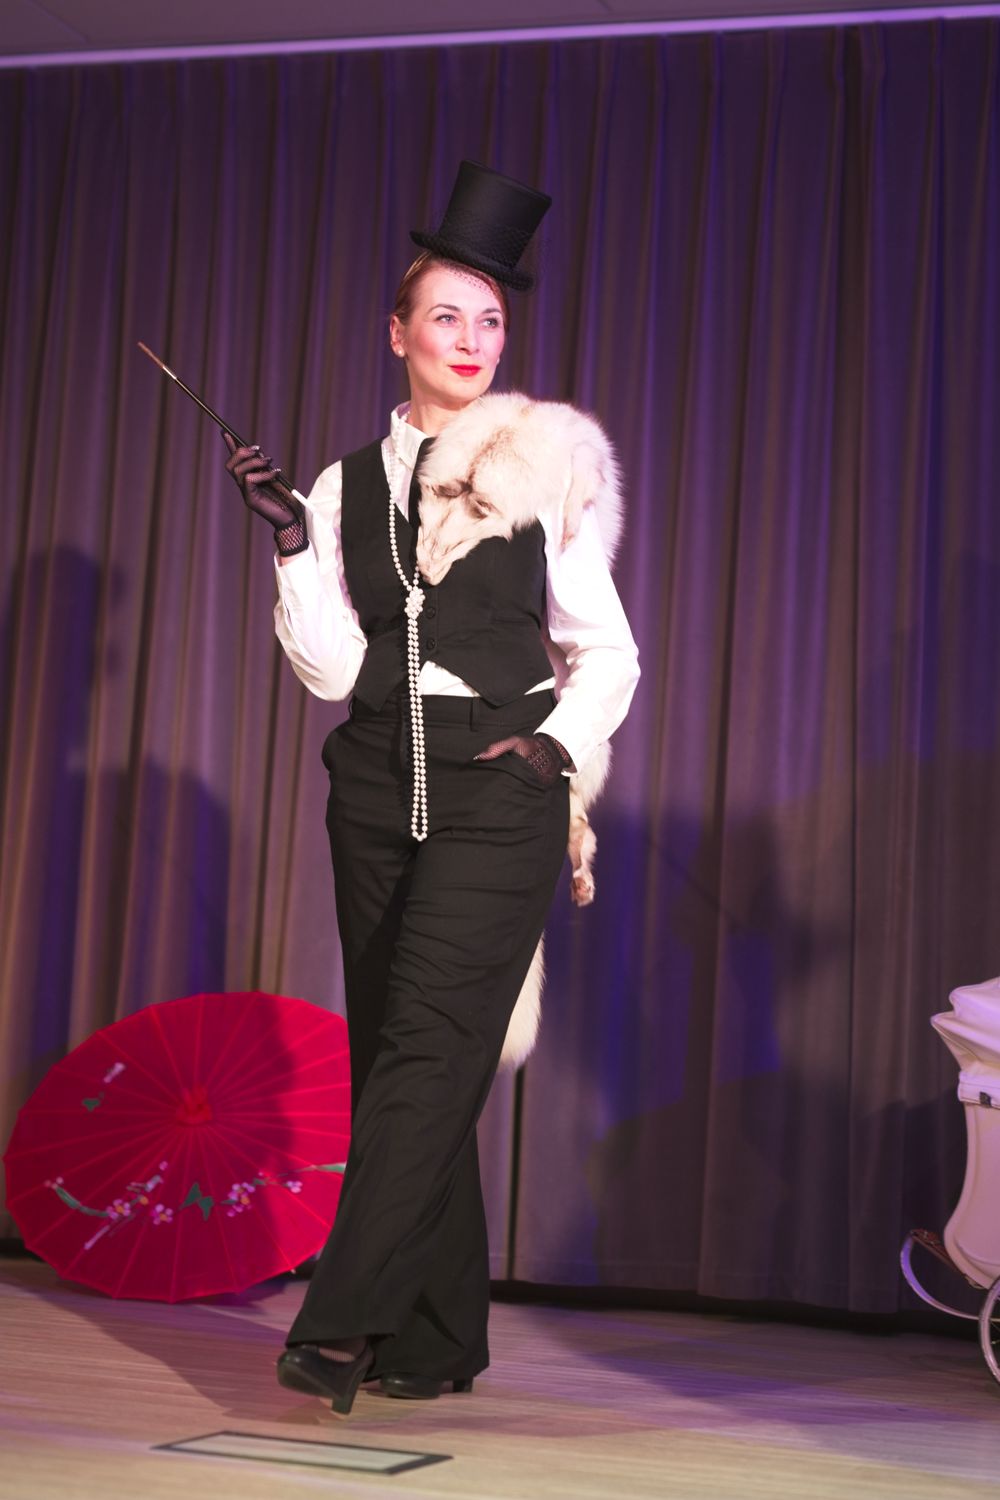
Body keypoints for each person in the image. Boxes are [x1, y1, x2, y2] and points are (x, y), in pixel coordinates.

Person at [223, 162, 639, 1415]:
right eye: (445, 316)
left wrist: (553, 751)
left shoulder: (545, 463)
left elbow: (608, 650)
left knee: (429, 1048)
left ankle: (340, 1321)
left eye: (489, 319)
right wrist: (292, 545)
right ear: (396, 333)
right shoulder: (345, 482)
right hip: (372, 783)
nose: (469, 338)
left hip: (499, 781)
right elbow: (335, 672)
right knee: (402, 1058)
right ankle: (435, 1335)